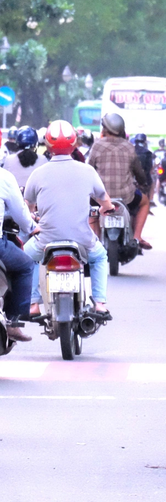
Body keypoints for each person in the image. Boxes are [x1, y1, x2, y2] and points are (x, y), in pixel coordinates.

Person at [24, 121, 117, 318]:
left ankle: (33, 304)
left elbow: (28, 208)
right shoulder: (87, 171)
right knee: (100, 257)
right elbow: (105, 200)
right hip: (82, 241)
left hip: (45, 241)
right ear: (75, 145)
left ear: (47, 147)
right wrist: (105, 209)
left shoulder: (38, 173)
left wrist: (32, 216)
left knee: (27, 258)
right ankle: (99, 303)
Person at [88, 113, 152, 250]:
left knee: (91, 212)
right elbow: (138, 172)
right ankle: (137, 237)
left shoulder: (97, 146)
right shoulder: (129, 147)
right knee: (145, 201)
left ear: (105, 129)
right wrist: (143, 183)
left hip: (100, 197)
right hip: (126, 197)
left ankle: (95, 241)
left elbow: (89, 170)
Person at [0, 162, 39, 341]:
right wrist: (32, 227)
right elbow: (20, 213)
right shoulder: (4, 177)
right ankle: (13, 323)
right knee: (26, 265)